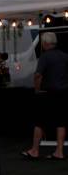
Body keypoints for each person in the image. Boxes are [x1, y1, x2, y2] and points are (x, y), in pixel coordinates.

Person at [22, 31, 68, 160]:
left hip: (49, 93)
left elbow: (38, 75)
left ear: (45, 43)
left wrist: (37, 90)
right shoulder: (64, 56)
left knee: (39, 122)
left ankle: (35, 150)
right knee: (61, 122)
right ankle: (59, 152)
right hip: (64, 93)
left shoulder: (45, 57)